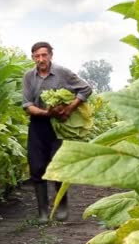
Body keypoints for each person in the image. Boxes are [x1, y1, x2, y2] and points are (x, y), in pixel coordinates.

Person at [22, 41, 92, 223]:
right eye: (37, 56)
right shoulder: (29, 77)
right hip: (38, 125)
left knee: (58, 165)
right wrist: (46, 112)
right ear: (33, 58)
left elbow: (86, 89)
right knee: (37, 167)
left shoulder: (63, 73)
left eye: (44, 55)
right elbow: (28, 105)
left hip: (59, 126)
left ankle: (61, 206)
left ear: (51, 55)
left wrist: (69, 108)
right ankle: (43, 212)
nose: (41, 59)